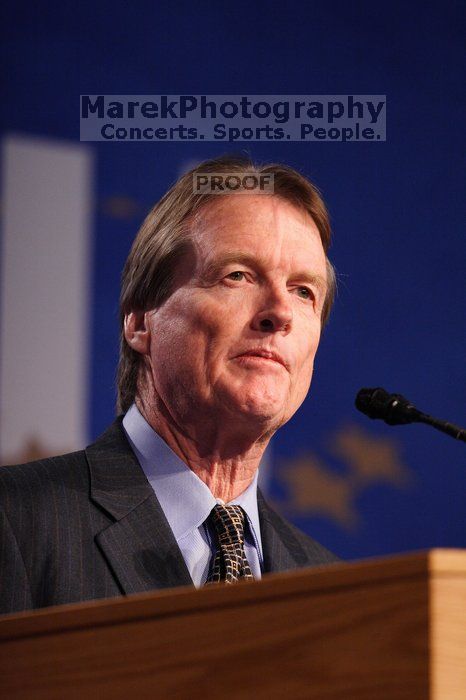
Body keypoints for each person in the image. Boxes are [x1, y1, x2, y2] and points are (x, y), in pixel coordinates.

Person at [0, 155, 339, 615]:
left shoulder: (331, 589)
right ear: (141, 321)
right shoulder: (17, 521)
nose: (279, 312)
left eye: (304, 291)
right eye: (237, 275)